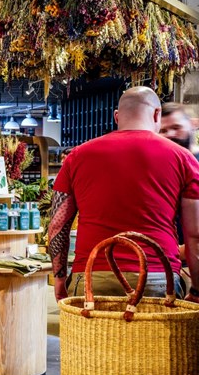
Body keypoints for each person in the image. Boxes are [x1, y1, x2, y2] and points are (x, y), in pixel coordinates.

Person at [49, 86, 199, 301]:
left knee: (92, 336)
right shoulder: (183, 158)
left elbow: (58, 225)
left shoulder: (77, 156)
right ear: (157, 114)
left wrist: (60, 279)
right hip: (158, 277)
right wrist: (196, 289)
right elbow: (195, 234)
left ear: (116, 116)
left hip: (92, 276)